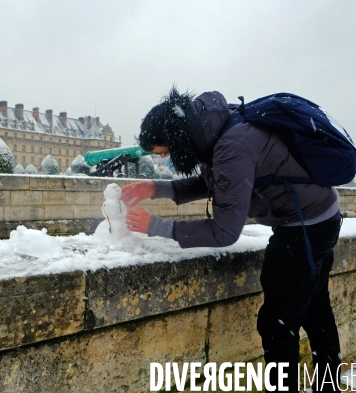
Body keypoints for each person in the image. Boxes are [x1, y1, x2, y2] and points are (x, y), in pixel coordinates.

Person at [121, 88, 342, 392]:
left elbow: (225, 230)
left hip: (304, 226)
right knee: (316, 309)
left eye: (165, 151)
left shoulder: (231, 147)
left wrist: (157, 226)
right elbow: (214, 181)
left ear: (176, 139)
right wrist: (157, 188)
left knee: (277, 324)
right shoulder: (219, 127)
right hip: (320, 216)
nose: (165, 158)